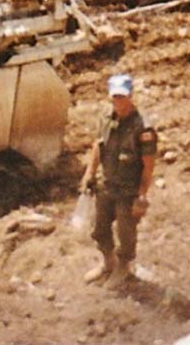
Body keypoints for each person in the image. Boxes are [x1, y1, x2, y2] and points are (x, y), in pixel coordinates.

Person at [79, 73, 157, 286]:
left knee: (126, 232)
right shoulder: (106, 118)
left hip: (128, 190)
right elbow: (98, 146)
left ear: (131, 96)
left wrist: (142, 195)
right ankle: (108, 262)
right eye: (115, 97)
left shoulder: (143, 128)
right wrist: (90, 173)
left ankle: (124, 267)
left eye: (122, 97)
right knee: (99, 228)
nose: (118, 102)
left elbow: (148, 166)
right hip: (107, 185)